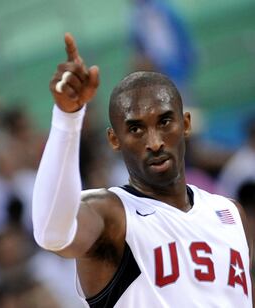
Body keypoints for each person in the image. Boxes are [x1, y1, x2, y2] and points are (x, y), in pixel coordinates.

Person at [32, 33, 253, 307]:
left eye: (165, 122)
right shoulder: (112, 215)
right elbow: (51, 233)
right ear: (115, 140)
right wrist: (67, 117)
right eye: (136, 129)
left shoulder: (230, 212)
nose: (155, 142)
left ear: (185, 124)